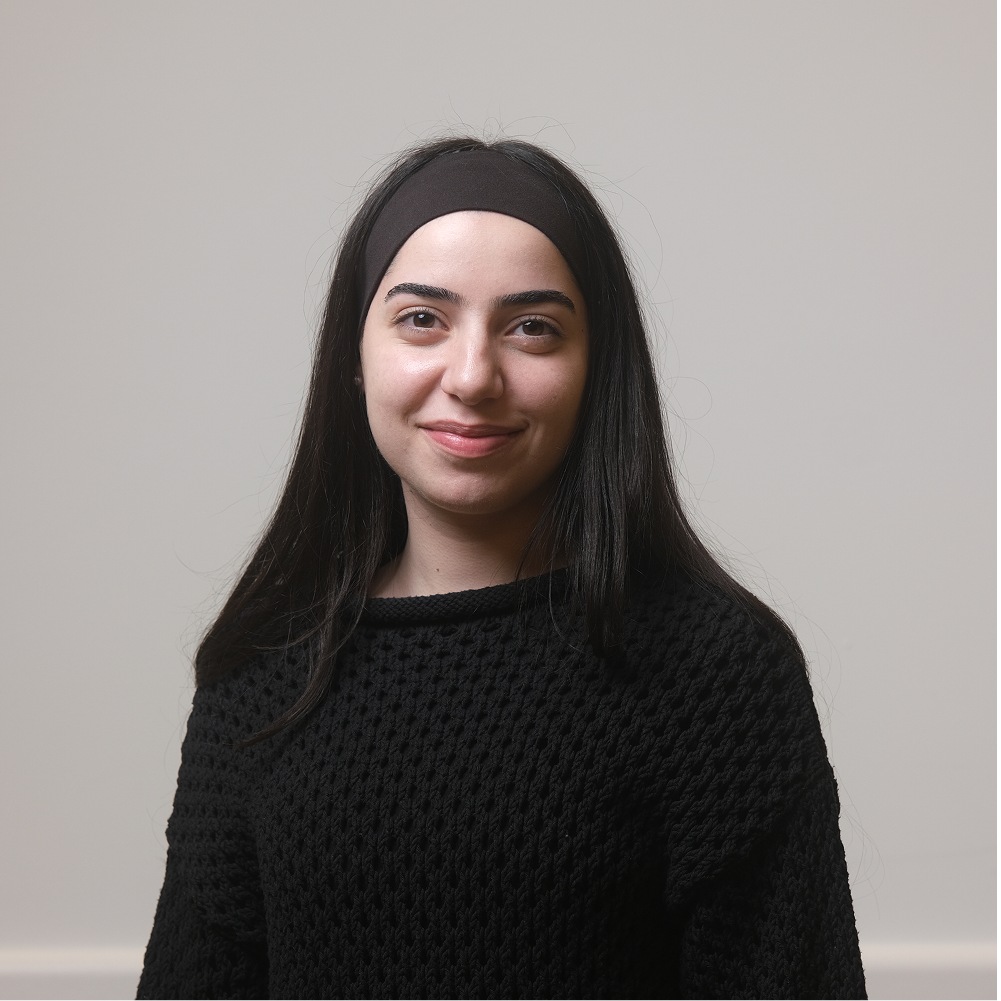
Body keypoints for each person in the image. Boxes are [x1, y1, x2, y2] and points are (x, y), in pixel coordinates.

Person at [136, 137, 868, 1000]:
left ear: (595, 369)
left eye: (531, 328)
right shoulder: (261, 674)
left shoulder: (715, 672)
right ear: (352, 359)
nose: (473, 375)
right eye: (422, 319)